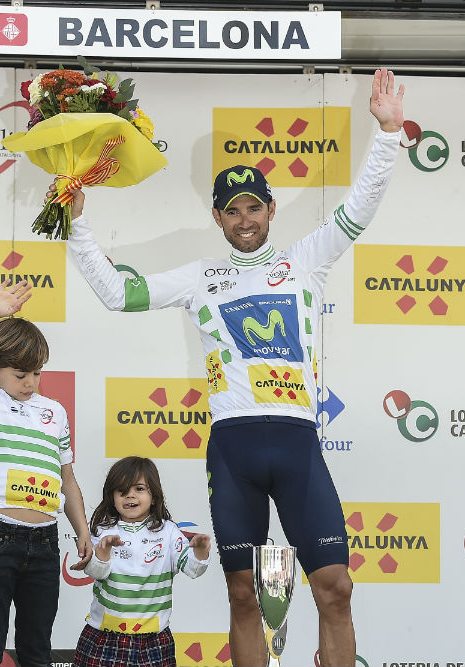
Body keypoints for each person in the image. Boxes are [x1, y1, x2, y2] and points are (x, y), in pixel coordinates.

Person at [65, 69, 405, 666]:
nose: (244, 219)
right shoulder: (202, 276)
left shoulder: (306, 261)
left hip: (296, 444)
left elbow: (361, 205)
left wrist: (388, 132)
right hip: (234, 448)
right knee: (244, 594)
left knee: (336, 588)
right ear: (218, 218)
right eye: (231, 210)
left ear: (271, 209)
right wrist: (76, 223)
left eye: (254, 207)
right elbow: (119, 294)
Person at [0, 278, 93, 667]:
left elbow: (67, 478)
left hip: (45, 543)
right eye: (20, 375)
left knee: (37, 651)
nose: (30, 383)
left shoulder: (55, 412)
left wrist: (82, 529)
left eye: (36, 373)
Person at [75, 456, 211, 667]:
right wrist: (103, 552)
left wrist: (200, 553)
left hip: (153, 640)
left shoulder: (168, 531)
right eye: (122, 490)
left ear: (154, 496)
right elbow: (95, 572)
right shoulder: (103, 530)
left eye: (139, 488)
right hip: (105, 636)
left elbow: (192, 569)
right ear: (112, 497)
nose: (130, 495)